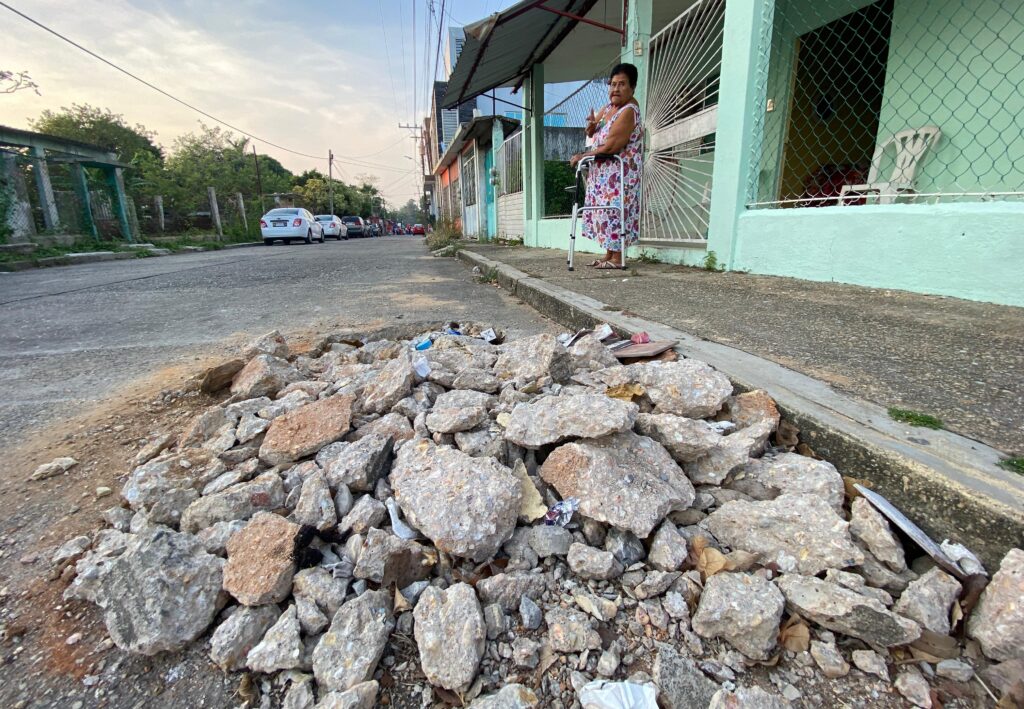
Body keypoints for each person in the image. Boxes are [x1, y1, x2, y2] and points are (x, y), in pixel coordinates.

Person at [570, 62, 643, 269]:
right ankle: (609, 255)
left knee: (615, 212)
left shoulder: (628, 111)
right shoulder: (610, 107)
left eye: (622, 84)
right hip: (604, 174)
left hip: (620, 174)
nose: (616, 89)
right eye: (613, 84)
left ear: (632, 87)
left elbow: (612, 146)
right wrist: (591, 126)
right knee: (604, 213)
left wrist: (583, 156)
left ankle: (618, 258)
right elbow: (593, 132)